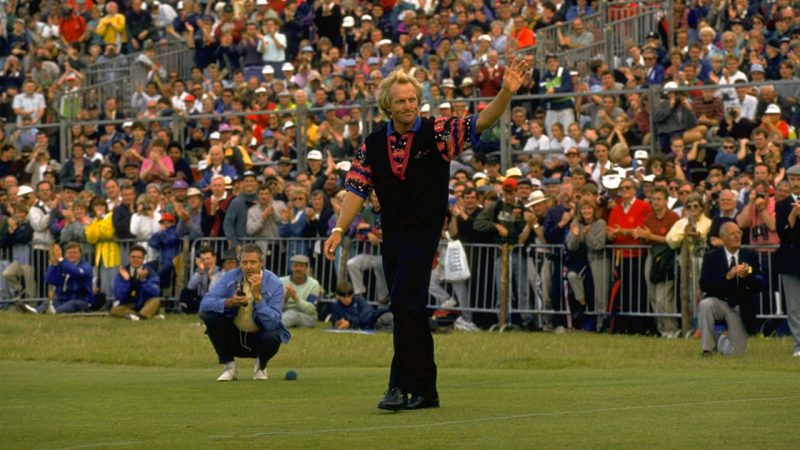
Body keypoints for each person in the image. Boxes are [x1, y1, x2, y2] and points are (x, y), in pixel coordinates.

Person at [324, 60, 529, 411]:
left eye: (412, 99)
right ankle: (426, 390)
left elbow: (480, 122)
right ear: (388, 105)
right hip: (391, 233)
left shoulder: (437, 132)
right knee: (410, 309)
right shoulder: (373, 143)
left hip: (424, 231)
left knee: (404, 301)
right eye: (401, 101)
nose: (408, 106)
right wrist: (339, 228)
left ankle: (396, 385)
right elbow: (357, 189)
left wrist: (506, 92)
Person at [199, 244, 290, 381]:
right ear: (239, 263)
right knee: (210, 316)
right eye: (244, 262)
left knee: (272, 335)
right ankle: (229, 368)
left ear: (262, 263)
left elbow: (272, 323)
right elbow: (204, 305)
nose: (248, 267)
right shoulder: (229, 277)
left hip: (260, 338)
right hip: (234, 337)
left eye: (253, 262)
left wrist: (258, 297)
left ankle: (261, 367)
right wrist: (229, 302)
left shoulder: (275, 283)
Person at [698, 223, 765, 356]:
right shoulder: (711, 256)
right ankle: (707, 349)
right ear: (722, 238)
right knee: (705, 304)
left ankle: (721, 342)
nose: (737, 236)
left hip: (740, 306)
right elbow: (704, 284)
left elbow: (761, 284)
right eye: (732, 234)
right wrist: (727, 276)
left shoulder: (750, 256)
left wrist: (748, 276)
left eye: (738, 233)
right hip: (719, 302)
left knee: (737, 353)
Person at [28, 242, 94, 314]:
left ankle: (55, 311)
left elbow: (77, 273)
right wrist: (54, 265)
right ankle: (35, 311)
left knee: (72, 303)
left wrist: (61, 259)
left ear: (80, 254)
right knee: (48, 302)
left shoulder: (86, 266)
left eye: (75, 253)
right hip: (62, 300)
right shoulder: (62, 265)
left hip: (82, 300)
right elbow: (50, 279)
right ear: (65, 254)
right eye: (70, 253)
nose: (72, 255)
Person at [775, 165, 800, 357]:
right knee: (793, 306)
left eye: (798, 179)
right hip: (790, 261)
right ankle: (799, 345)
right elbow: (783, 234)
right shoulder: (782, 205)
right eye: (792, 179)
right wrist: (792, 217)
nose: (796, 183)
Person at [111, 245, 161, 320]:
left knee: (156, 301)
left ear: (143, 259)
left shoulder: (150, 272)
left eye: (139, 258)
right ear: (129, 258)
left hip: (145, 303)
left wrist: (143, 280)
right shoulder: (122, 272)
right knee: (114, 310)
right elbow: (119, 296)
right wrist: (127, 280)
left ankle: (137, 315)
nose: (136, 260)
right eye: (133, 257)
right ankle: (142, 315)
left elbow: (155, 292)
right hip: (128, 304)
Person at [279, 254, 320, 328]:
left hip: (308, 317)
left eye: (301, 266)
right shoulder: (281, 281)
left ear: (306, 268)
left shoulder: (314, 284)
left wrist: (296, 298)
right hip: (285, 313)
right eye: (295, 266)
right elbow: (277, 308)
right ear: (291, 267)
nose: (298, 269)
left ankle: (275, 326)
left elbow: (311, 309)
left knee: (293, 314)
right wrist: (285, 298)